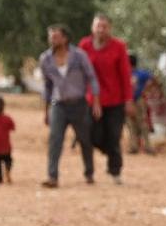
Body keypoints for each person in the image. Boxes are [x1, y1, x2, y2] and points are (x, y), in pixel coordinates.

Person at [41, 24, 101, 188]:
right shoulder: (45, 59)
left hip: (78, 104)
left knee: (84, 139)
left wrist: (96, 100)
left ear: (65, 39)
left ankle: (89, 172)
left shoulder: (79, 56)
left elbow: (91, 77)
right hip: (57, 104)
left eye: (56, 37)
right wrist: (46, 110)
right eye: (50, 37)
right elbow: (47, 86)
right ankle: (52, 176)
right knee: (55, 139)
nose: (52, 40)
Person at [79, 14, 132, 186]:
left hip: (115, 100)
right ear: (92, 28)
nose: (101, 30)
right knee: (92, 135)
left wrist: (128, 99)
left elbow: (125, 75)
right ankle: (110, 154)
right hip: (91, 99)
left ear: (110, 29)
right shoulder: (84, 45)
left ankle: (115, 170)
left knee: (114, 135)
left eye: (104, 26)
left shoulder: (119, 47)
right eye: (98, 26)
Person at [126, 55, 155, 155]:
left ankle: (145, 146)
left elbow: (152, 79)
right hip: (130, 101)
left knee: (140, 123)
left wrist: (145, 90)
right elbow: (152, 79)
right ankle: (136, 146)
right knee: (133, 123)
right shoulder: (132, 73)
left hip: (137, 100)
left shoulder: (139, 73)